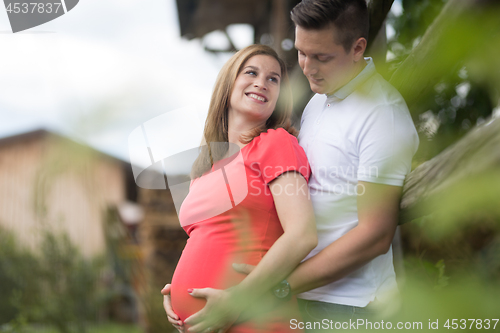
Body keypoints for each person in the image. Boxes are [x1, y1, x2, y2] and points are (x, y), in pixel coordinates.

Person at [163, 0, 419, 331]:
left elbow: (375, 235)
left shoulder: (381, 115)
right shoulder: (317, 103)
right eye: (301, 52)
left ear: (357, 48)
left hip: (350, 308)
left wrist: (276, 287)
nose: (307, 67)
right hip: (301, 298)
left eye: (321, 57)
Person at [165, 44, 318, 333]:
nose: (262, 82)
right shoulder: (206, 166)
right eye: (252, 72)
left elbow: (302, 235)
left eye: (274, 79)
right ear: (228, 83)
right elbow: (210, 239)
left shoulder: (275, 143)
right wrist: (178, 292)